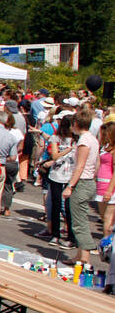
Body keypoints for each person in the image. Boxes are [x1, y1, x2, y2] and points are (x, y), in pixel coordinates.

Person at [63, 106, 100, 265]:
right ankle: (80, 255)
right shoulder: (93, 138)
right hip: (88, 180)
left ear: (76, 124)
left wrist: (70, 185)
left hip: (82, 182)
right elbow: (96, 163)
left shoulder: (84, 141)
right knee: (80, 218)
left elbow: (80, 165)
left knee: (79, 221)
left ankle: (85, 256)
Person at [43, 115, 77, 246]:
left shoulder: (77, 139)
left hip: (70, 174)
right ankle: (55, 235)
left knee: (69, 207)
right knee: (56, 204)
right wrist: (69, 149)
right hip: (57, 174)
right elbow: (55, 155)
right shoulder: (56, 138)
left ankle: (70, 236)